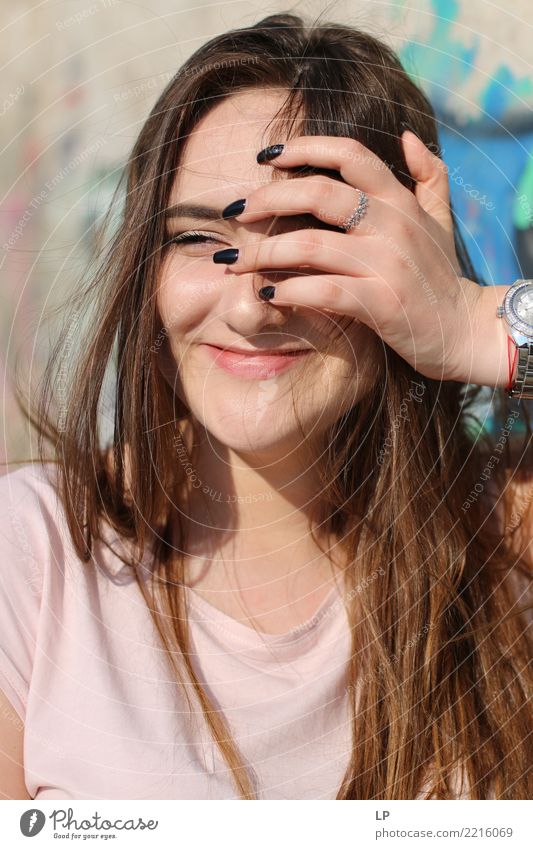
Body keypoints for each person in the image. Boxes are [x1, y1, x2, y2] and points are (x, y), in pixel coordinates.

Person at [0, 12, 531, 801]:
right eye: (200, 240)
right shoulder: (35, 552)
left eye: (312, 244)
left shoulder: (503, 540)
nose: (252, 308)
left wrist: (472, 324)